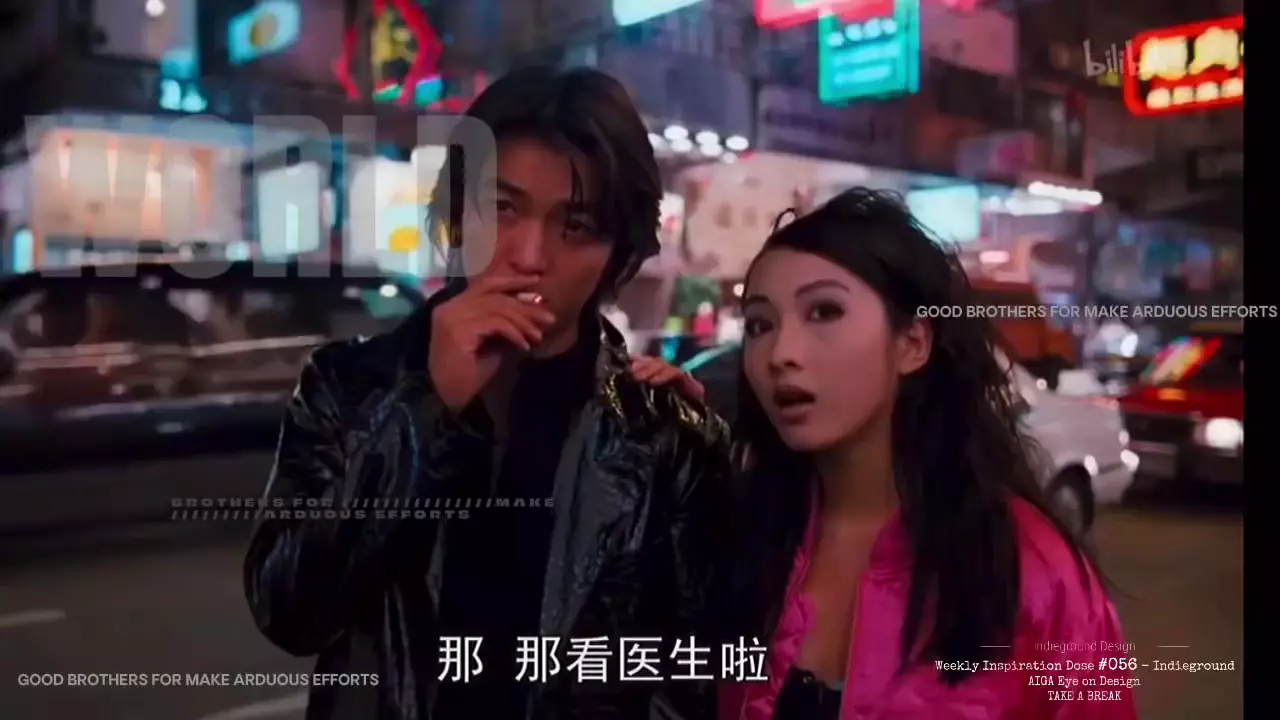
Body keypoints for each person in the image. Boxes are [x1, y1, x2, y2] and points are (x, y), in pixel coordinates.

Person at [244, 65, 730, 720]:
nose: (530, 255)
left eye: (576, 225)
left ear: (618, 250)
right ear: (456, 211)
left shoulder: (658, 429)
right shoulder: (347, 384)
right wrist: (424, 411)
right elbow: (289, 611)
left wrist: (724, 452)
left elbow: (692, 676)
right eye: (503, 208)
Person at [638, 188, 1137, 719]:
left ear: (912, 343)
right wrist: (670, 441)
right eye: (761, 324)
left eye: (824, 311)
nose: (780, 353)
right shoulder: (743, 537)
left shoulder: (1034, 571)